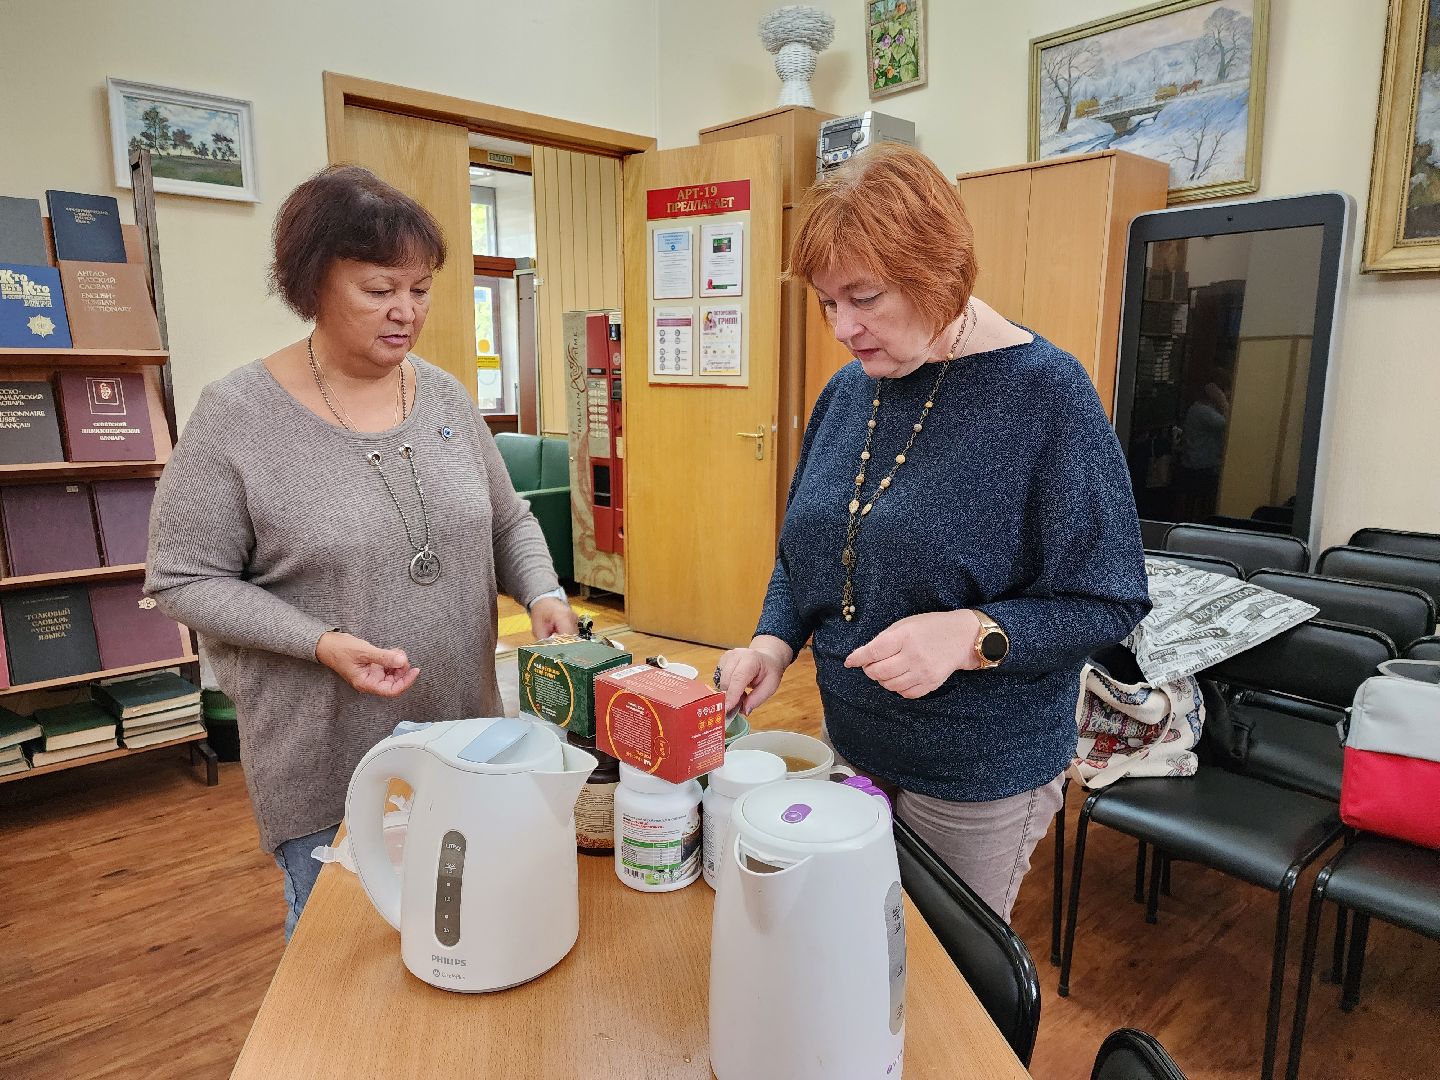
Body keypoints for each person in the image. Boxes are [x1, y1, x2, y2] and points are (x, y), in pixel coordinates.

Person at [715, 144, 1150, 922]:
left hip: (978, 774)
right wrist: (771, 644)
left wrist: (971, 635)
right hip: (851, 745)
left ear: (938, 272)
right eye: (826, 302)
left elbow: (1108, 600)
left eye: (864, 297)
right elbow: (807, 554)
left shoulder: (1046, 396)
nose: (842, 327)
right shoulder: (847, 393)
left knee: (942, 975)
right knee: (856, 942)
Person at [146, 165, 577, 938]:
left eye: (420, 289)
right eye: (379, 290)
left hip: (465, 736)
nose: (406, 311)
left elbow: (507, 521)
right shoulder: (237, 416)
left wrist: (543, 592)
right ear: (312, 283)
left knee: (460, 929)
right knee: (343, 956)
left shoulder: (444, 397)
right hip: (327, 758)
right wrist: (320, 642)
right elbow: (182, 579)